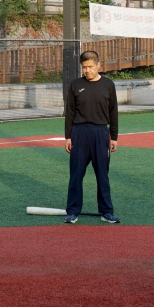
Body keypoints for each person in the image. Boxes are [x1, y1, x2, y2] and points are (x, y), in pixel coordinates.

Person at [63, 50, 119, 224]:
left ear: (98, 65)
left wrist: (114, 136)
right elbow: (70, 112)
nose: (87, 70)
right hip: (79, 133)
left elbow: (113, 112)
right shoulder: (75, 84)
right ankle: (72, 212)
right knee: (76, 174)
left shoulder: (108, 85)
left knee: (102, 175)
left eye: (90, 67)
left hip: (101, 133)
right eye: (84, 67)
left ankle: (106, 212)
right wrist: (68, 136)